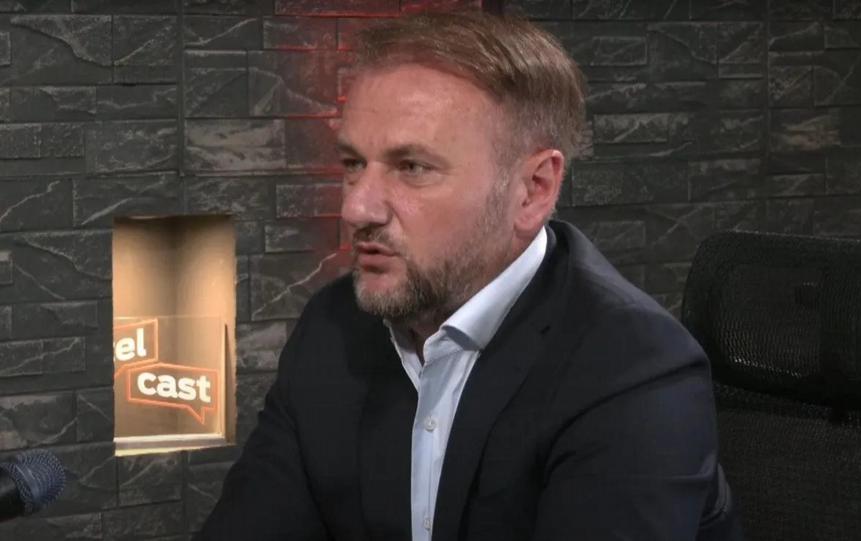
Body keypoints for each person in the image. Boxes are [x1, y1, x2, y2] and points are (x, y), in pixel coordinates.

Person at [197, 11, 742, 541]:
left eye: (412, 168)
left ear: (532, 190)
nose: (357, 208)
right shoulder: (334, 327)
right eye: (354, 164)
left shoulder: (632, 370)